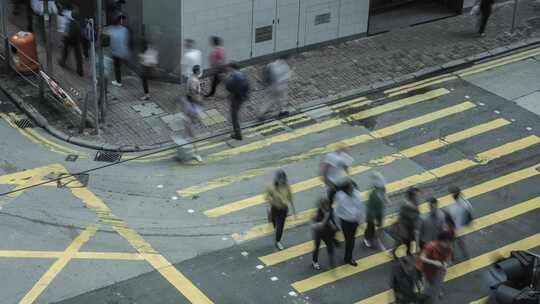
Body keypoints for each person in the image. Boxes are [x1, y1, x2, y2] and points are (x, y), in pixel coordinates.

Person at [416, 231, 454, 304]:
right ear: (441, 241)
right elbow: (422, 257)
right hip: (428, 270)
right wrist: (433, 262)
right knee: (427, 290)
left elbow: (448, 258)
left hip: (439, 270)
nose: (448, 244)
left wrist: (446, 264)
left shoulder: (448, 247)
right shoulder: (431, 246)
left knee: (436, 288)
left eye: (449, 242)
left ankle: (435, 293)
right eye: (447, 242)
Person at [334, 178, 364, 266]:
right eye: (350, 188)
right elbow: (337, 211)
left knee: (351, 239)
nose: (352, 189)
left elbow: (361, 209)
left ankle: (348, 256)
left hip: (355, 222)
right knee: (350, 240)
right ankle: (348, 258)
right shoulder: (340, 197)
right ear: (345, 190)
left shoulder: (358, 195)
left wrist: (361, 221)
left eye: (353, 187)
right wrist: (338, 225)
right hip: (345, 222)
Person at [265, 170, 295, 250]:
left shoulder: (287, 187)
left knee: (280, 227)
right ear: (277, 179)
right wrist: (270, 204)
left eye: (283, 178)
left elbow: (290, 198)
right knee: (275, 224)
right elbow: (267, 197)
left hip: (283, 209)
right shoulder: (271, 187)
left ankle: (278, 241)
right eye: (280, 178)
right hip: (274, 208)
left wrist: (293, 210)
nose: (282, 180)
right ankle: (276, 233)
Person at [181, 65, 204, 162]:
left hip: (188, 106)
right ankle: (196, 153)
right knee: (193, 134)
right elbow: (194, 93)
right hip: (191, 108)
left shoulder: (190, 78)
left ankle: (185, 145)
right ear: (197, 72)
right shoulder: (194, 81)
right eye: (200, 70)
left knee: (188, 130)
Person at [445, 186, 473, 259]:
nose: (451, 195)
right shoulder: (466, 203)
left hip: (454, 228)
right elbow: (469, 215)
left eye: (452, 194)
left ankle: (453, 257)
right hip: (460, 228)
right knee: (461, 242)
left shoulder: (453, 207)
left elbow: (449, 217)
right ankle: (465, 255)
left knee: (451, 244)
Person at [392, 187, 420, 259]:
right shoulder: (406, 205)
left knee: (407, 241)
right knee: (403, 240)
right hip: (405, 227)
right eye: (415, 195)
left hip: (410, 226)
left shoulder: (414, 202)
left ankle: (408, 253)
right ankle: (394, 251)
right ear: (411, 196)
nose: (416, 196)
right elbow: (410, 215)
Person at [311, 197, 338, 270]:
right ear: (321, 206)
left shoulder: (330, 210)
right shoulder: (317, 214)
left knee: (330, 246)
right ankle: (314, 261)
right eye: (325, 205)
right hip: (319, 233)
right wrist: (326, 217)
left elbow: (332, 219)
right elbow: (317, 224)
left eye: (327, 205)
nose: (327, 207)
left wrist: (333, 226)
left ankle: (331, 261)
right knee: (317, 247)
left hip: (327, 232)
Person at [225, 63, 250, 140]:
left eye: (229, 68)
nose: (228, 70)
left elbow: (228, 86)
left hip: (237, 98)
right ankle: (238, 128)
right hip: (242, 96)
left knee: (234, 116)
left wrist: (227, 78)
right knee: (237, 113)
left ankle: (238, 134)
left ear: (232, 68)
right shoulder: (243, 74)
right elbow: (248, 85)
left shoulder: (234, 76)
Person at [364, 171, 388, 249]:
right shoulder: (372, 196)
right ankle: (367, 238)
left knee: (380, 225)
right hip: (372, 214)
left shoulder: (383, 189)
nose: (383, 187)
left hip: (379, 211)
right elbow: (371, 210)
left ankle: (376, 238)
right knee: (370, 227)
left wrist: (386, 200)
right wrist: (373, 219)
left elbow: (384, 195)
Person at [58, 10, 84, 77]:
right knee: (78, 56)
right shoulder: (79, 23)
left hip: (68, 39)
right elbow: (81, 33)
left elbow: (66, 32)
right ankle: (80, 71)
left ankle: (62, 62)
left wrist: (63, 40)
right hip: (76, 40)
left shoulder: (69, 22)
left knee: (65, 51)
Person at [107, 15, 130, 87]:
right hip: (122, 51)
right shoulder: (124, 29)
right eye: (121, 20)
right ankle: (119, 79)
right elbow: (126, 40)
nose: (122, 21)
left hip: (116, 52)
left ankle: (118, 81)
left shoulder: (111, 29)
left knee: (117, 67)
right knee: (119, 67)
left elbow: (111, 40)